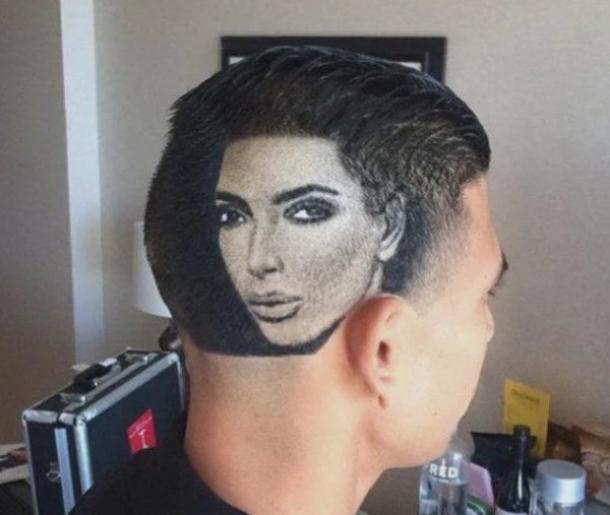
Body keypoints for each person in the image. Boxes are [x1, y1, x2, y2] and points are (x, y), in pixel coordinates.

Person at [71, 45, 506, 515]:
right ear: (385, 349)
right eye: (484, 294)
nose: (488, 327)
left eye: (305, 211)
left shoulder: (117, 494)